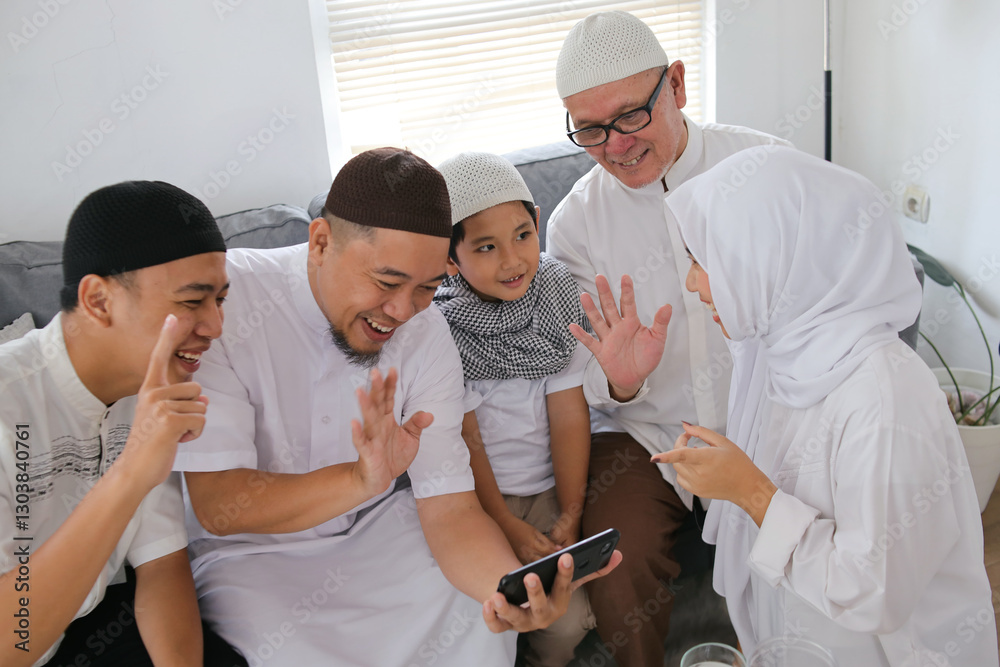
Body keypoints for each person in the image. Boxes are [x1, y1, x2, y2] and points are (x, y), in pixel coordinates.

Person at [172, 148, 620, 666]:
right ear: (320, 242)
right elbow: (219, 505)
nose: (402, 312)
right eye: (387, 283)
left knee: (478, 617)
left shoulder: (429, 334)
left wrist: (506, 595)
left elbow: (450, 507)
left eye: (427, 288)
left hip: (382, 529)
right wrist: (359, 479)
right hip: (253, 556)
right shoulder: (225, 300)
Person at [589, 146, 998, 665]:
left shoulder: (885, 399)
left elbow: (874, 592)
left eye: (702, 262)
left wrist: (749, 491)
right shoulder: (778, 355)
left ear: (770, 259)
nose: (692, 284)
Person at [545, 10, 792, 665]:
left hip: (771, 420)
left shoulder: (766, 167)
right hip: (651, 436)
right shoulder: (574, 225)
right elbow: (584, 379)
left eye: (630, 115)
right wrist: (626, 377)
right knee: (617, 550)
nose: (616, 145)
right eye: (590, 129)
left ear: (677, 85)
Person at [0, 181, 244, 666]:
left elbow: (161, 563)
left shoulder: (148, 384)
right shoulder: (9, 403)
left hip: (90, 622)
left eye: (219, 299)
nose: (216, 326)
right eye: (192, 301)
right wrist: (132, 472)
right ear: (98, 301)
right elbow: (12, 643)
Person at [433, 151, 596, 667]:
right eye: (486, 247)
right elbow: (465, 438)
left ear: (538, 224)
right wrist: (501, 519)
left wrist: (570, 513)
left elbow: (569, 415)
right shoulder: (441, 328)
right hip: (477, 503)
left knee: (566, 620)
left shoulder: (555, 294)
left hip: (551, 490)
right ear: (450, 259)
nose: (512, 260)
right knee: (489, 618)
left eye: (523, 235)